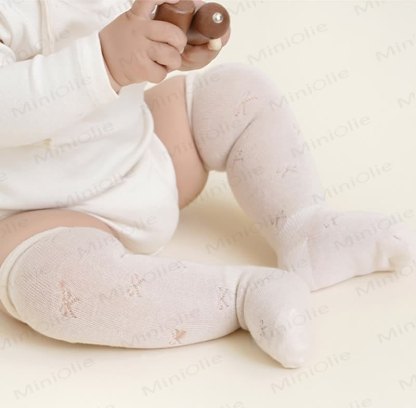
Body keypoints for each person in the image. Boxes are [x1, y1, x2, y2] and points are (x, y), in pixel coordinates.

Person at [0, 0, 414, 369]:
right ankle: (238, 297)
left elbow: (141, 28)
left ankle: (304, 226)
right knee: (55, 287)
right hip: (37, 213)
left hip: (143, 155)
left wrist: (176, 35)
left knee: (236, 93)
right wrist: (106, 61)